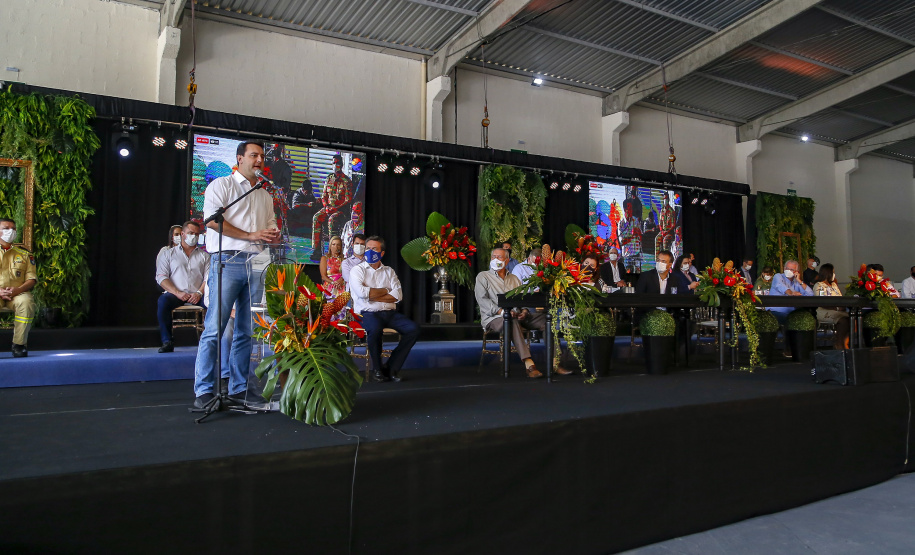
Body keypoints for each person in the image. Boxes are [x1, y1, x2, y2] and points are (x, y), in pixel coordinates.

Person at [192, 140, 280, 409]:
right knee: (214, 329)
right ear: (239, 158)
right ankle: (204, 390)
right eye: (254, 155)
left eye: (262, 156)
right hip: (227, 261)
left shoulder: (265, 195)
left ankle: (239, 389)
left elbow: (270, 226)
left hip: (257, 264)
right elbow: (211, 221)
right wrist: (250, 235)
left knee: (247, 331)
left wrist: (272, 236)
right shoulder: (222, 186)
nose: (259, 160)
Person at [475, 248, 570, 378]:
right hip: (494, 318)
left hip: (516, 314)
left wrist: (524, 311)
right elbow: (482, 300)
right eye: (493, 257)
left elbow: (522, 298)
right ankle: (529, 364)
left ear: (507, 261)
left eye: (500, 257)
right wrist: (502, 311)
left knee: (546, 319)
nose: (496, 259)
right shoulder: (483, 276)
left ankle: (555, 362)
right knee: (510, 319)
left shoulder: (514, 278)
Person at [349, 236, 420, 382]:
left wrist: (372, 294)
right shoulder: (357, 270)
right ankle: (377, 369)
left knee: (413, 329)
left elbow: (398, 295)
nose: (369, 251)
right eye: (367, 248)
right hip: (367, 313)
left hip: (389, 313)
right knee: (374, 329)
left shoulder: (389, 271)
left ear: (382, 253)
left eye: (374, 249)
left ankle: (392, 367)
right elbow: (362, 293)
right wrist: (386, 290)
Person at [155, 220, 209, 353]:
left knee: (213, 302)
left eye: (197, 234)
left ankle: (208, 341)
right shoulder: (169, 254)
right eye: (191, 233)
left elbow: (208, 278)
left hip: (198, 294)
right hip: (176, 294)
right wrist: (177, 293)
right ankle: (167, 341)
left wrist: (199, 293)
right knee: (163, 302)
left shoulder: (204, 256)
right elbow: (161, 277)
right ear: (183, 234)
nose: (194, 236)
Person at [0, 219, 36, 357]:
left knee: (27, 303)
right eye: (6, 228)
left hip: (17, 293)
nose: (11, 231)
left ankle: (19, 345)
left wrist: (17, 290)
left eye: (13, 229)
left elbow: (31, 279)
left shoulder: (25, 254)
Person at [311, 154, 353, 262]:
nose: (335, 165)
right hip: (328, 208)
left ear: (342, 165)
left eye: (337, 163)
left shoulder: (346, 181)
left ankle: (333, 252)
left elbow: (348, 200)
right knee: (316, 217)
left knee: (332, 220)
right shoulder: (329, 178)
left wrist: (335, 208)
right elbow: (324, 195)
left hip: (340, 210)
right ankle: (316, 251)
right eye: (334, 163)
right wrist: (325, 206)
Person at [812, 263, 850, 350]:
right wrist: (836, 308)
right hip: (824, 311)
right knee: (843, 321)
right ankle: (839, 344)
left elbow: (840, 298)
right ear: (828, 273)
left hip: (838, 310)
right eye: (833, 272)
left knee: (852, 319)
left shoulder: (833, 285)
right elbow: (821, 301)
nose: (834, 274)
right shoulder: (819, 285)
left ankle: (845, 342)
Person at [634, 250, 676, 322]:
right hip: (649, 315)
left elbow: (675, 299)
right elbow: (639, 298)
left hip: (668, 315)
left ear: (670, 265)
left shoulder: (674, 279)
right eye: (658, 260)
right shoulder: (646, 276)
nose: (660, 263)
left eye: (663, 261)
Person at [769, 260, 812, 324]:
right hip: (776, 312)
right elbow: (781, 286)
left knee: (808, 319)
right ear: (784, 268)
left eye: (791, 269)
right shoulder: (778, 276)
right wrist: (791, 293)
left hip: (792, 313)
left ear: (796, 272)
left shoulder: (796, 282)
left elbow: (810, 294)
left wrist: (799, 281)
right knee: (795, 321)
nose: (788, 270)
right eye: (787, 268)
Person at [618, 198, 643, 273]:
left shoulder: (635, 220)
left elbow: (641, 238)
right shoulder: (621, 223)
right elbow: (621, 242)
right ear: (625, 209)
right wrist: (632, 236)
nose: (631, 210)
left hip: (637, 253)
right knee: (628, 274)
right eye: (629, 208)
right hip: (627, 256)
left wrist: (638, 233)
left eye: (632, 208)